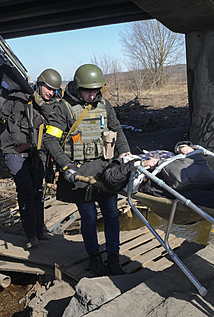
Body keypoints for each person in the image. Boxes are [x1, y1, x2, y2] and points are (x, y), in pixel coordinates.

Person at [43, 64, 131, 277]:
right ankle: (94, 258)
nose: (92, 95)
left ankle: (113, 257)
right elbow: (50, 139)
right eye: (88, 91)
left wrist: (126, 154)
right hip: (80, 173)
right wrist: (66, 166)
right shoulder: (63, 108)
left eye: (96, 90)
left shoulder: (104, 104)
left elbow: (116, 129)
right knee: (89, 217)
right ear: (78, 87)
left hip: (103, 169)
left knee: (111, 214)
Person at [0, 68, 62, 250]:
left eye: (54, 91)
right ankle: (30, 234)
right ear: (40, 84)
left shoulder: (51, 106)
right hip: (15, 151)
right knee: (25, 189)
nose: (51, 93)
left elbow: (55, 120)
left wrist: (41, 103)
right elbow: (1, 118)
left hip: (38, 153)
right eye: (48, 89)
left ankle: (40, 230)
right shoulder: (18, 97)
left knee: (38, 191)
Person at [101, 141, 214, 216]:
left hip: (188, 175)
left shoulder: (150, 152)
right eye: (125, 154)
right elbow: (110, 178)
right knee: (202, 197)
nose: (128, 153)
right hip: (168, 187)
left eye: (128, 152)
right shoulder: (122, 165)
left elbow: (176, 149)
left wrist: (183, 147)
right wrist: (141, 163)